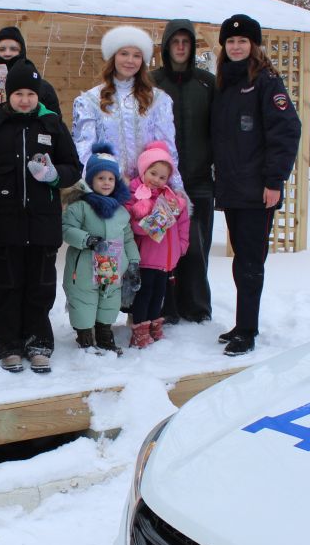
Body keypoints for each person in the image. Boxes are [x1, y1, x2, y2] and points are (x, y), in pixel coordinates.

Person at [0, 60, 82, 374]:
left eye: (30, 94)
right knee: (8, 287)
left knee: (40, 287)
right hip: (5, 224)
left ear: (38, 95)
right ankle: (9, 346)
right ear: (8, 95)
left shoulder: (52, 125)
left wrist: (54, 175)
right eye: (18, 93)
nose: (24, 99)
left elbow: (74, 168)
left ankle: (39, 342)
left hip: (43, 224)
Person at [210, 14, 301, 356]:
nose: (236, 47)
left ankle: (247, 331)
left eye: (243, 41)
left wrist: (274, 181)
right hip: (233, 189)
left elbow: (286, 131)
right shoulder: (225, 82)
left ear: (254, 45)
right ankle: (242, 323)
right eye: (231, 42)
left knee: (250, 262)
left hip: (258, 189)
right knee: (241, 261)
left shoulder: (266, 81)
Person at [152, 19, 216, 324]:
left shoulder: (207, 83)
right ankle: (166, 307)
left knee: (197, 244)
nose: (180, 47)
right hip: (161, 181)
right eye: (175, 42)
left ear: (192, 47)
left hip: (199, 179)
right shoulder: (152, 82)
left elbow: (219, 129)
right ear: (166, 47)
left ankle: (197, 307)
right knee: (162, 243)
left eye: (185, 42)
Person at [72, 26, 181, 192]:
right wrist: (104, 180)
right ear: (113, 56)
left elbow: (166, 148)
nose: (130, 60)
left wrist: (175, 188)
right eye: (124, 53)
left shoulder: (158, 100)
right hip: (107, 189)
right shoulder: (90, 100)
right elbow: (85, 150)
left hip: (148, 189)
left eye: (137, 55)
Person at [61, 144, 138, 355]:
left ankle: (105, 335)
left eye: (110, 179)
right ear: (91, 180)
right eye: (101, 178)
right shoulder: (80, 206)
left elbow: (128, 238)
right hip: (84, 269)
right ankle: (85, 336)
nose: (106, 182)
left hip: (112, 268)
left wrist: (133, 262)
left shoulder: (120, 211)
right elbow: (66, 229)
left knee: (109, 300)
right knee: (83, 301)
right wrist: (87, 240)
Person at [124, 143, 190, 349]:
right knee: (144, 294)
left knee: (159, 294)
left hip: (165, 259)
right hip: (146, 257)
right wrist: (152, 222)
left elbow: (183, 222)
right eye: (153, 173)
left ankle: (154, 325)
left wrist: (181, 245)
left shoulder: (171, 197)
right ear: (143, 170)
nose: (157, 180)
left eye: (162, 177)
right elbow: (133, 226)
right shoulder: (136, 195)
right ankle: (139, 330)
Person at [0, 26, 62, 120]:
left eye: (13, 49)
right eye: (2, 49)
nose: (7, 53)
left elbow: (56, 124)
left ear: (21, 52)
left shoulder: (42, 87)